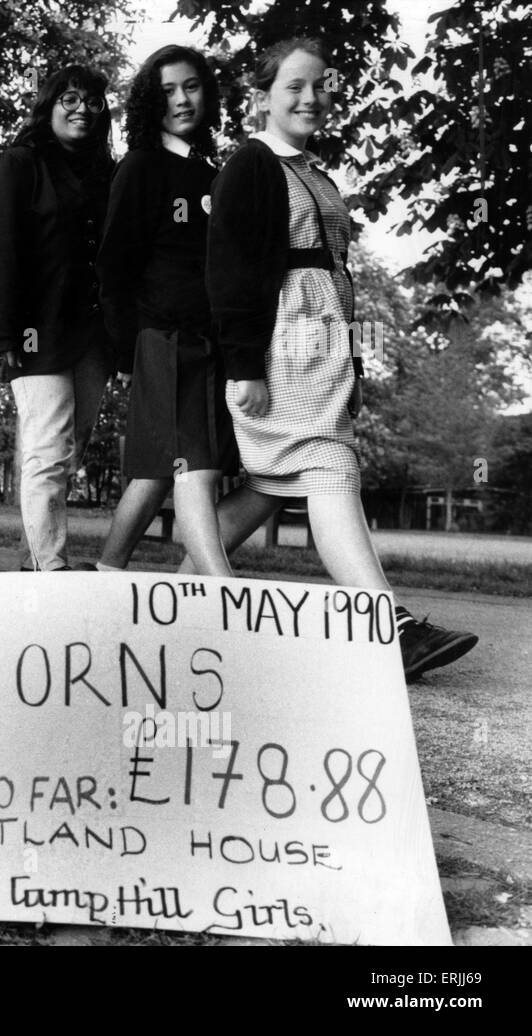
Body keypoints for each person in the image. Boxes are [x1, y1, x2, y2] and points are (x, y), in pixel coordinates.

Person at [204, 36, 478, 683]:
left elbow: (335, 269)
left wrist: (351, 358)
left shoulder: (311, 169)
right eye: (294, 86)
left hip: (322, 342)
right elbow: (230, 272)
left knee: (275, 484)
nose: (310, 97)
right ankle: (389, 628)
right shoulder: (252, 165)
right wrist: (242, 366)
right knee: (328, 466)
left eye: (320, 85)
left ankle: (189, 592)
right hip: (283, 341)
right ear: (263, 97)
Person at [97, 46, 237, 575]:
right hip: (164, 337)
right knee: (194, 467)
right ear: (150, 101)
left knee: (158, 470)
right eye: (168, 90)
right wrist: (129, 349)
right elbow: (114, 263)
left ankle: (108, 572)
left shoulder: (214, 171)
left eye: (192, 86)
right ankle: (225, 594)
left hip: (212, 341)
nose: (181, 99)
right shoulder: (141, 166)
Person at [0, 65, 114, 571]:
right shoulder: (20, 162)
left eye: (92, 100)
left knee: (73, 443)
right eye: (69, 98)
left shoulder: (109, 170)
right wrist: (6, 334)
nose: (81, 108)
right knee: (47, 444)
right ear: (49, 105)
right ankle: (50, 564)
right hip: (36, 328)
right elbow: (4, 252)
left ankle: (34, 554)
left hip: (94, 332)